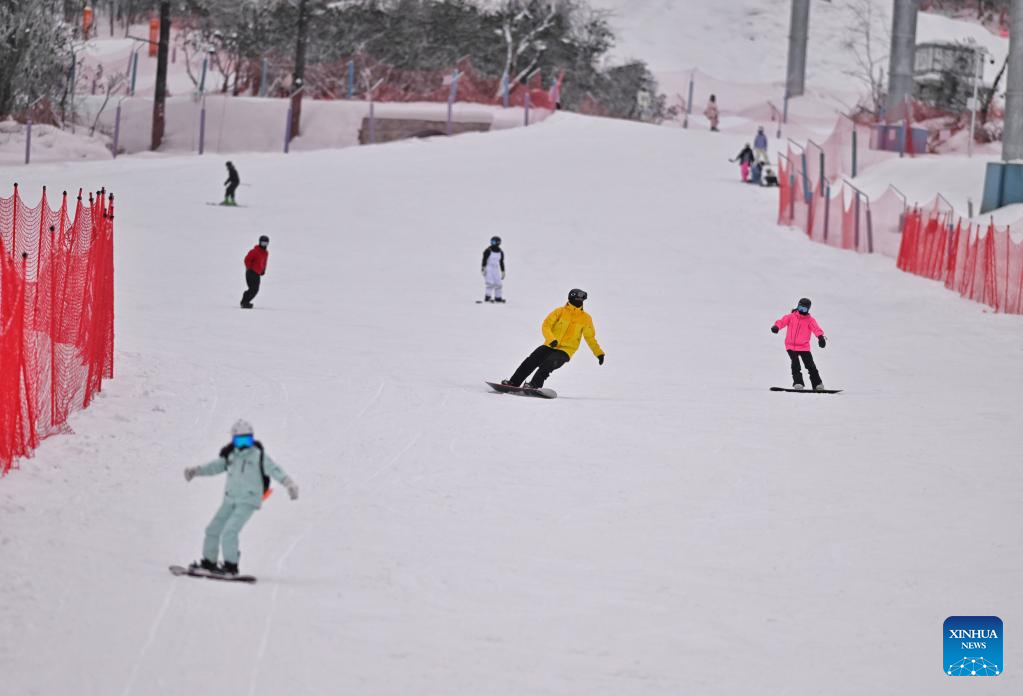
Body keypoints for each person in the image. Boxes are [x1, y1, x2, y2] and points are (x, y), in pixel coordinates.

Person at [184, 420, 299, 576]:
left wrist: (289, 484)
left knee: (229, 531)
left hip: (248, 501)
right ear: (233, 440)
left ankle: (231, 566)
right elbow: (214, 467)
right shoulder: (230, 456)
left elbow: (276, 470)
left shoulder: (259, 456)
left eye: (247, 440)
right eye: (240, 441)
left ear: (252, 439)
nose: (244, 445)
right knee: (212, 529)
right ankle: (209, 562)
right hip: (230, 500)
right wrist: (196, 470)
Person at [503, 288, 604, 389]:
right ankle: (513, 383)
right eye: (577, 299)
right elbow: (546, 326)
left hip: (566, 350)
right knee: (531, 360)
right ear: (570, 299)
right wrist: (551, 339)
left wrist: (598, 353)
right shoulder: (559, 311)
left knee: (549, 363)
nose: (579, 302)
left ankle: (534, 385)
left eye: (581, 300)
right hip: (550, 345)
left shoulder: (586, 318)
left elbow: (590, 337)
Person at [771, 297, 827, 390]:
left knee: (810, 365)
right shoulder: (791, 316)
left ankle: (818, 384)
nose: (801, 310)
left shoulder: (810, 320)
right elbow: (782, 321)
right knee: (795, 364)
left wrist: (820, 337)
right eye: (800, 308)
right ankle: (798, 383)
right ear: (797, 306)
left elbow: (816, 329)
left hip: (804, 347)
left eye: (804, 309)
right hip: (790, 346)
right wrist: (776, 326)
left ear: (808, 309)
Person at [240, 235, 269, 309]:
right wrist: (249, 268)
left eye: (266, 243)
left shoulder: (265, 253)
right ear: (259, 242)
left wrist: (263, 270)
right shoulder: (254, 251)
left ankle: (245, 301)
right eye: (263, 243)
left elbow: (264, 262)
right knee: (253, 289)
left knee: (255, 289)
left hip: (257, 273)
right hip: (251, 272)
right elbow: (247, 260)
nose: (264, 245)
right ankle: (244, 302)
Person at [481, 236, 506, 303]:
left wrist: (503, 271)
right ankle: (487, 297)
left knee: (499, 284)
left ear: (498, 243)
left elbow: (501, 262)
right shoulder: (488, 250)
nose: (492, 243)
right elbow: (484, 259)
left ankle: (498, 297)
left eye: (494, 242)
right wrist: (483, 268)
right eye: (491, 241)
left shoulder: (500, 252)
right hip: (489, 268)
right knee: (490, 283)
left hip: (496, 269)